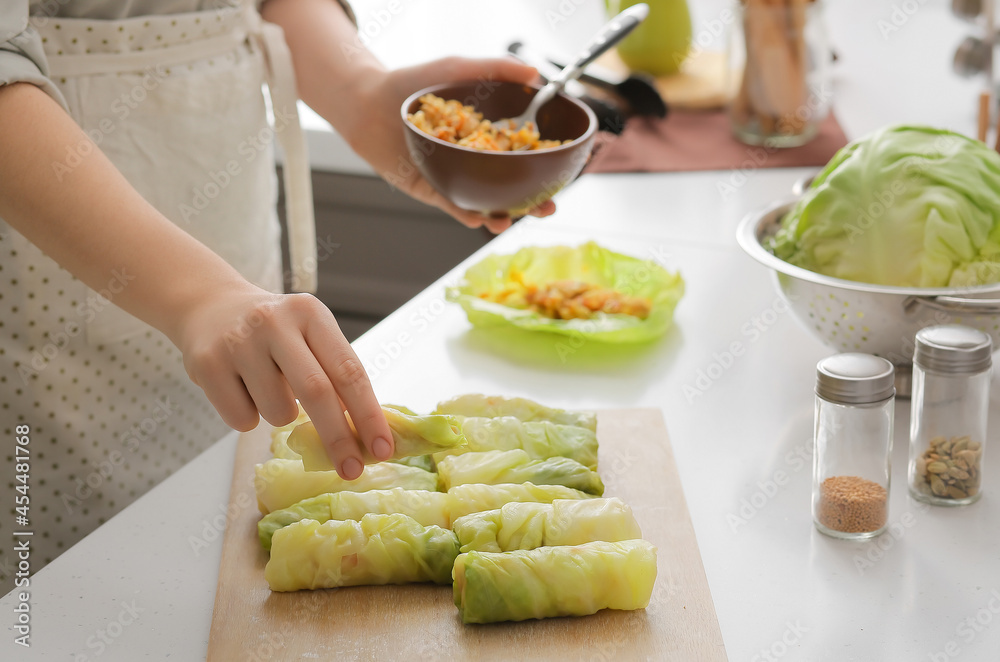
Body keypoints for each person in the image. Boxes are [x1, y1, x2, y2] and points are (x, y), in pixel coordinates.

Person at [0, 0, 553, 593]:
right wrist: (194, 297)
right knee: (78, 595)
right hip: (53, 253)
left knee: (224, 561)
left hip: (226, 202)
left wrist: (361, 92)